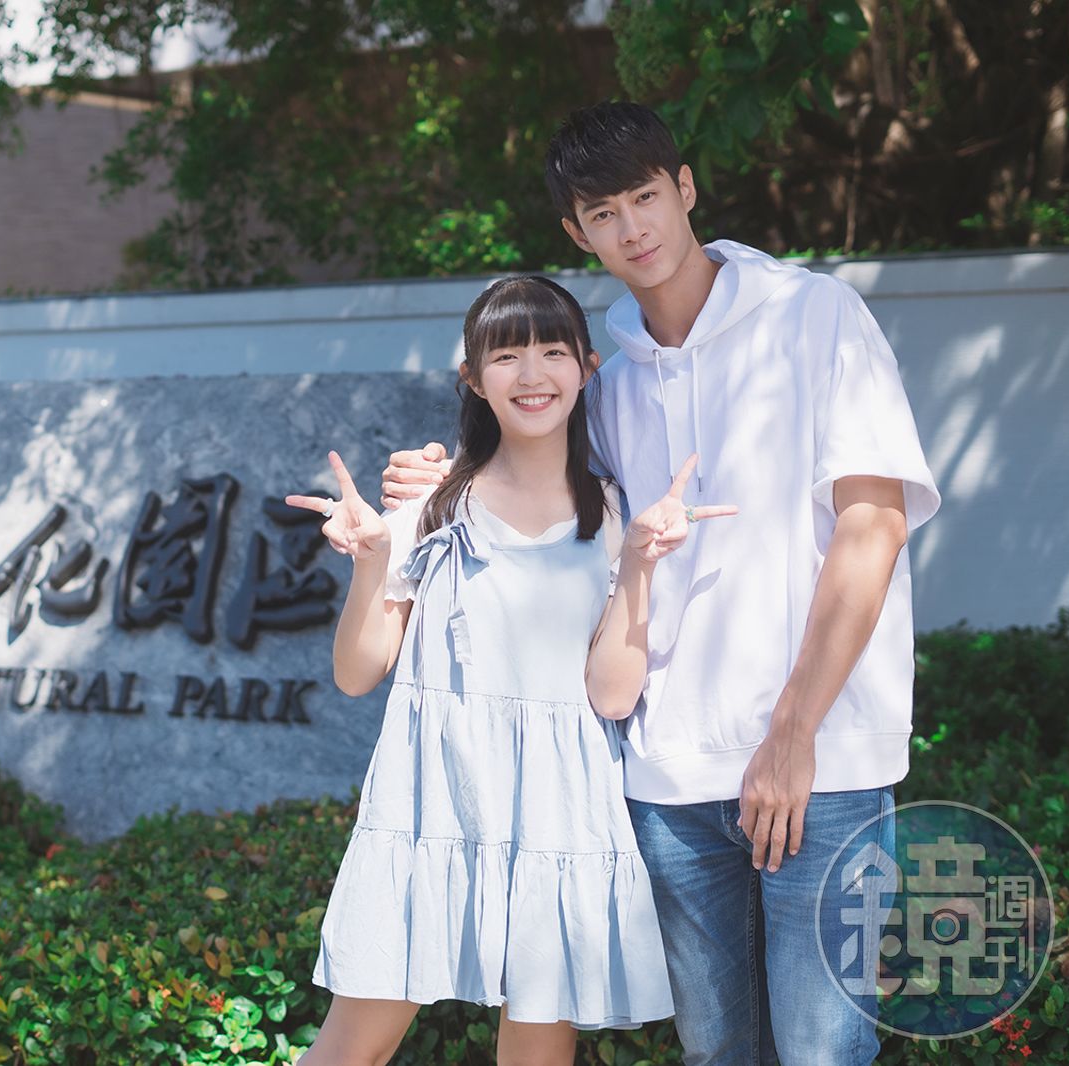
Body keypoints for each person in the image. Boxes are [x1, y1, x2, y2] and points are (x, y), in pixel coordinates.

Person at [381, 102, 941, 1065]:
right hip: (669, 778)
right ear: (578, 233)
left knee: (823, 1053)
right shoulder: (606, 379)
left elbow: (873, 525)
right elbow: (531, 485)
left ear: (684, 189)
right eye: (603, 214)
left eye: (645, 197)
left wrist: (793, 732)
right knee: (716, 1053)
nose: (632, 228)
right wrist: (431, 481)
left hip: (823, 763)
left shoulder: (816, 316)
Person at [287, 275, 736, 1066]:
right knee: (352, 1046)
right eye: (506, 356)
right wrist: (371, 562)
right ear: (473, 378)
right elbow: (358, 674)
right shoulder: (430, 508)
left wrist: (639, 565)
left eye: (553, 352)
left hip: (557, 809)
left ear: (587, 369)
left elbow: (611, 694)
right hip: (432, 800)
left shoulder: (611, 515)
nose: (532, 375)